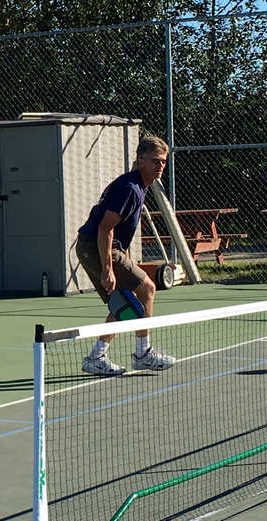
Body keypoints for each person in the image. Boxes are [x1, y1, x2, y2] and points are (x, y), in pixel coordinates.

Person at [75, 135, 175, 376]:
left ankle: (96, 356)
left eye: (163, 161)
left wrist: (126, 261)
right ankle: (142, 353)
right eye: (155, 161)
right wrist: (108, 269)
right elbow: (105, 228)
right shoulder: (130, 188)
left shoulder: (140, 186)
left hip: (104, 247)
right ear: (140, 161)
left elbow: (120, 231)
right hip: (94, 246)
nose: (160, 165)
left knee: (126, 301)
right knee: (148, 290)